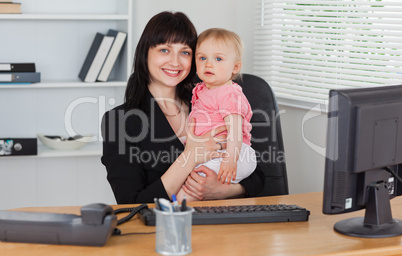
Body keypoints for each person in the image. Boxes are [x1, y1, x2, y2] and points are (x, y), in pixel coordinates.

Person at [101, 11, 264, 204]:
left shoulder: (209, 99)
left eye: (185, 52)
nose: (175, 62)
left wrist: (223, 190)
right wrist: (190, 157)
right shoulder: (120, 121)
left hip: (223, 224)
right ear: (145, 53)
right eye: (164, 50)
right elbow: (131, 203)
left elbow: (259, 176)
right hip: (164, 228)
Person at [176, 28, 256, 202]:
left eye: (218, 59)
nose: (208, 64)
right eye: (202, 58)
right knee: (188, 183)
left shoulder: (229, 94)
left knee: (189, 191)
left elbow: (234, 130)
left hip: (235, 152)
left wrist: (230, 159)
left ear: (235, 67)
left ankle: (177, 213)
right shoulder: (203, 89)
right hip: (216, 152)